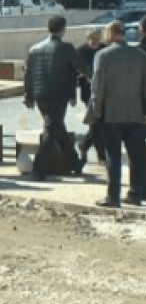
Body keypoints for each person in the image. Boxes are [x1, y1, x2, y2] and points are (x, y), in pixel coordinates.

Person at [23, 16, 91, 181]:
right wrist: (92, 77)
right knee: (51, 130)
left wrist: (28, 95)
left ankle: (74, 162)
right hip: (58, 94)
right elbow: (81, 66)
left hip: (40, 95)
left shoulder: (34, 49)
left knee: (56, 128)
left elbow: (28, 74)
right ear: (63, 29)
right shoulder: (65, 48)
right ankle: (38, 169)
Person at [87, 20, 146, 207]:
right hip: (135, 113)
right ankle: (136, 194)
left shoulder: (103, 56)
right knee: (136, 156)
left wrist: (95, 112)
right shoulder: (140, 55)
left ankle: (113, 196)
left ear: (110, 34)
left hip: (110, 114)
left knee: (113, 155)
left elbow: (98, 88)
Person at [77, 28, 106, 166]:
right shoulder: (81, 51)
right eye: (92, 40)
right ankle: (99, 153)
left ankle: (87, 146)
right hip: (87, 91)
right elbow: (76, 71)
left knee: (98, 122)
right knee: (96, 122)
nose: (95, 43)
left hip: (104, 90)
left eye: (97, 40)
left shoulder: (105, 50)